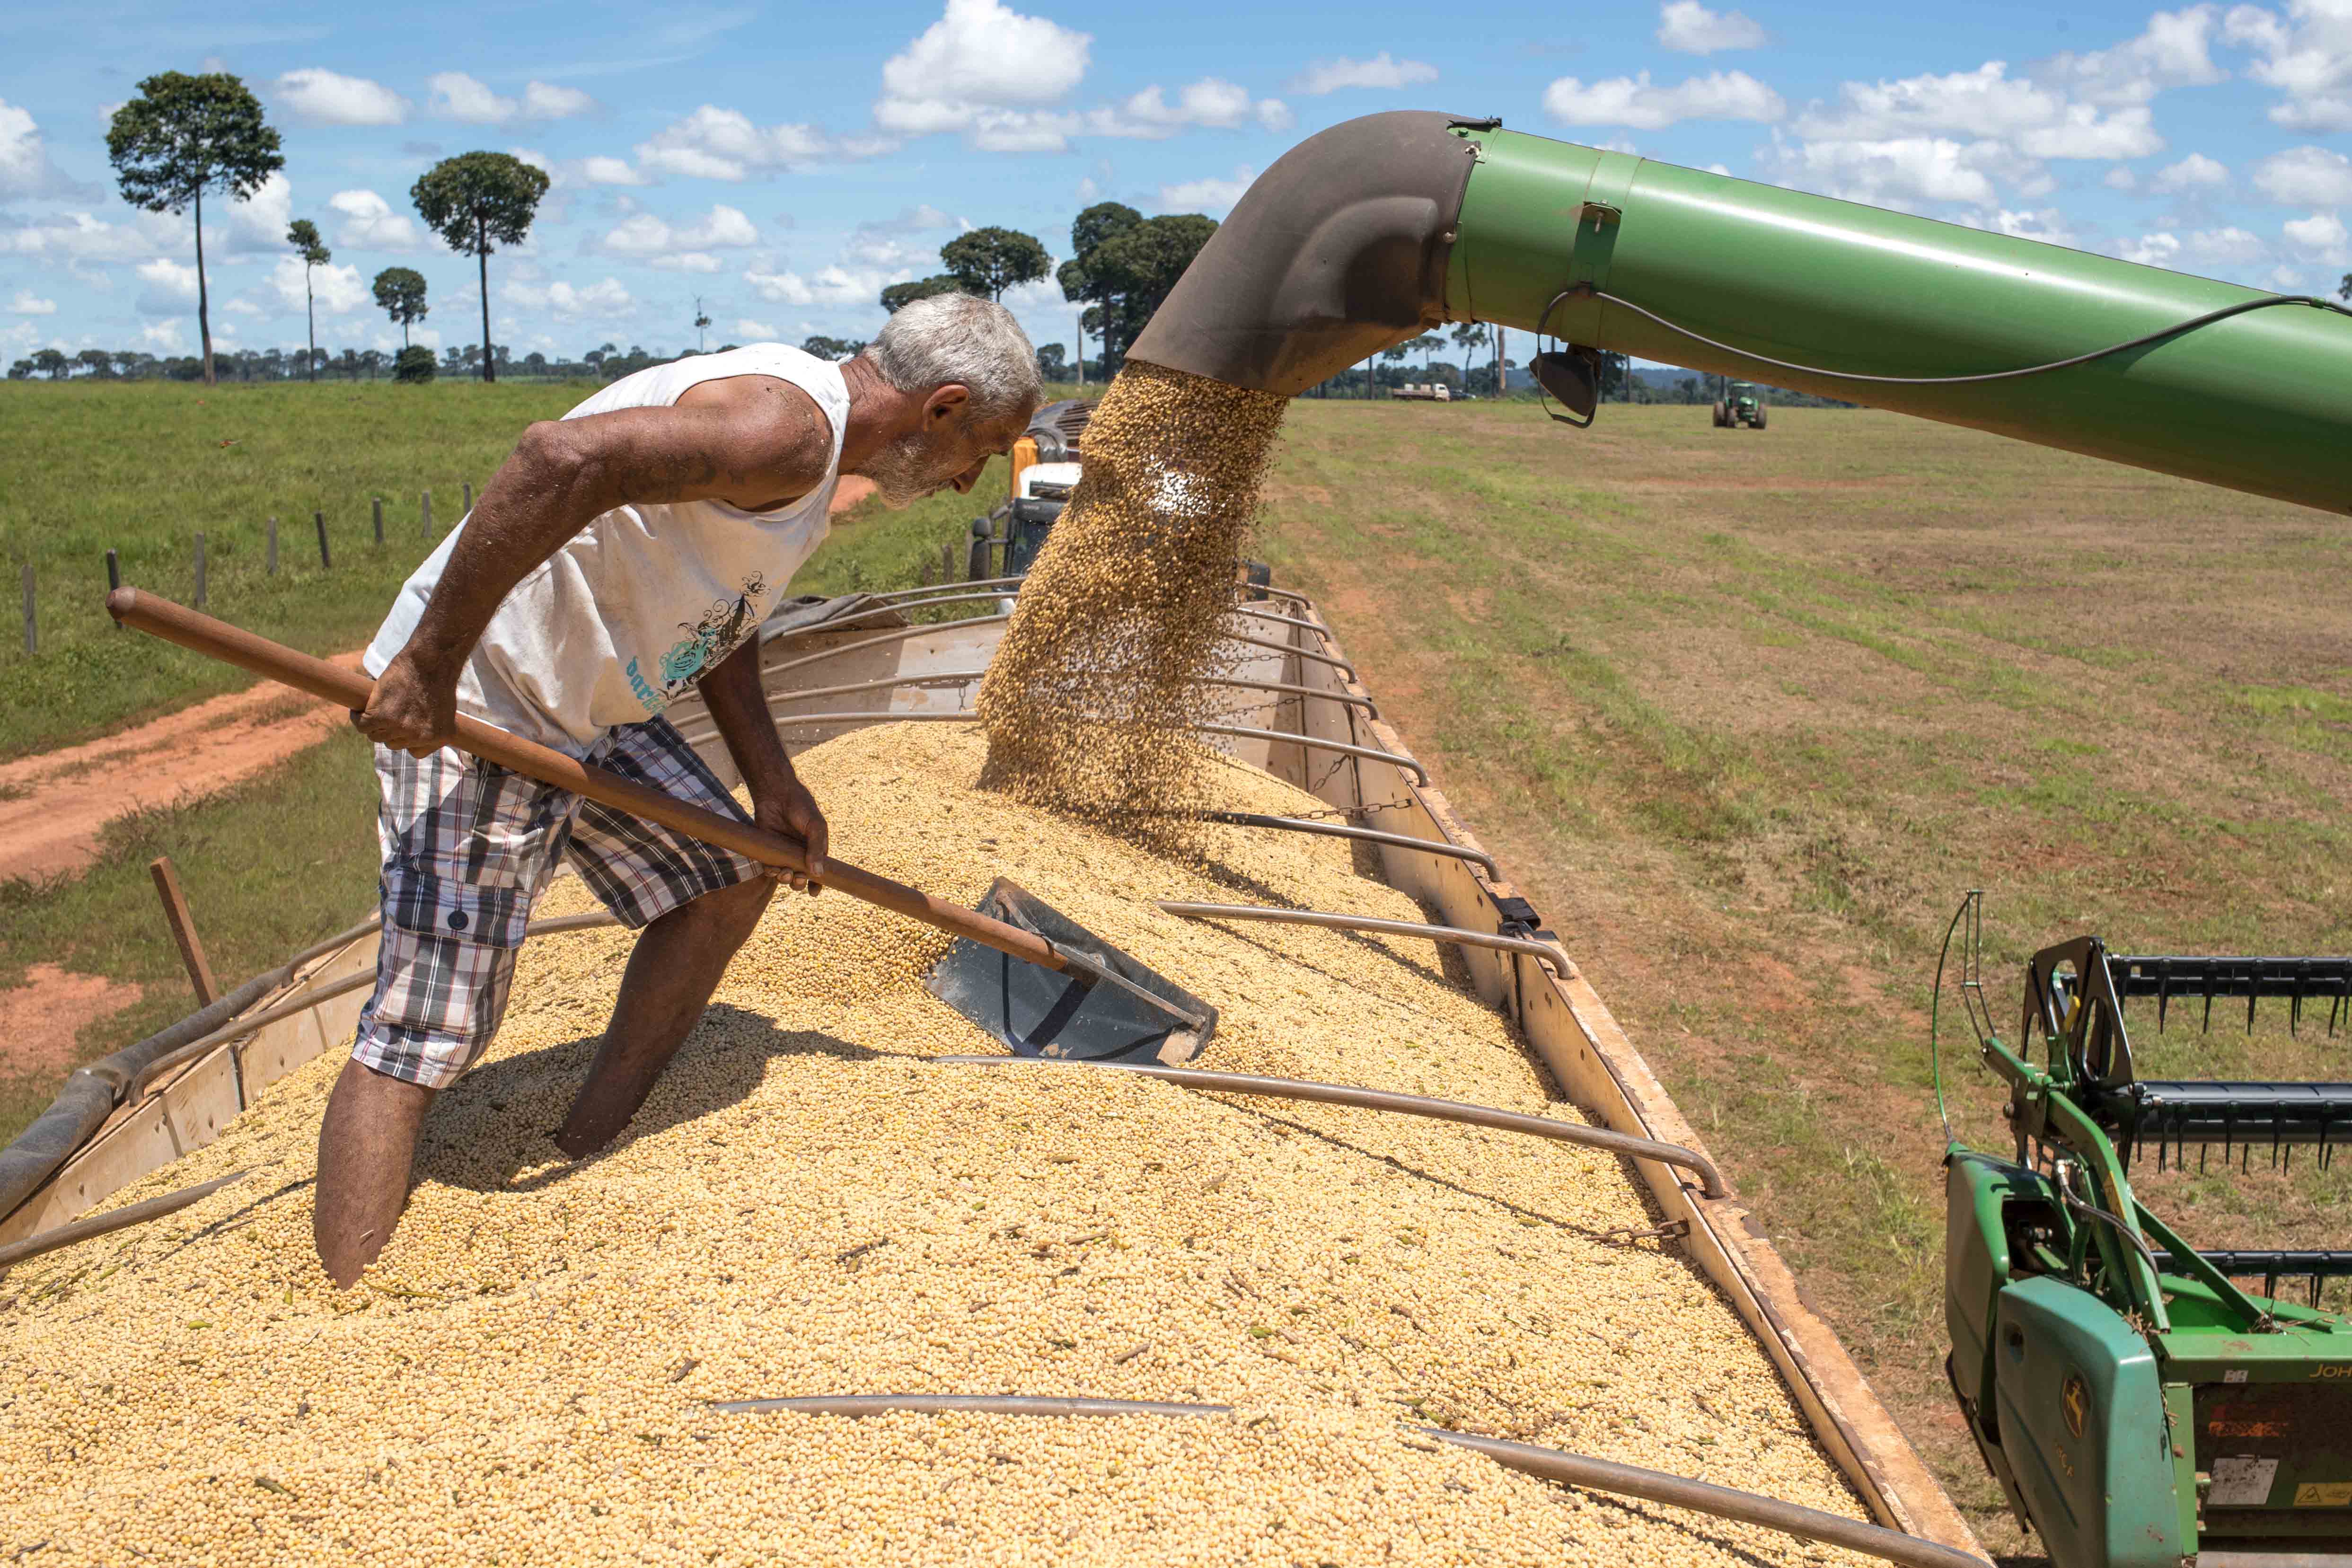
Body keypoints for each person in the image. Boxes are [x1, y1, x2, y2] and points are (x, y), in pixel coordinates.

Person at [321, 294, 1042, 1286]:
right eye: (984, 449)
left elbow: (720, 617)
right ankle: (347, 1296)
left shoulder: (809, 458)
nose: (970, 483)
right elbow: (554, 459)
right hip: (485, 699)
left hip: (591, 701)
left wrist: (771, 781)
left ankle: (588, 1142)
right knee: (429, 1021)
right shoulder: (783, 431)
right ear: (943, 407)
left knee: (728, 876)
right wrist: (428, 667)